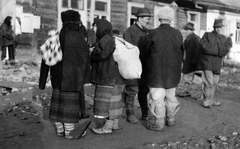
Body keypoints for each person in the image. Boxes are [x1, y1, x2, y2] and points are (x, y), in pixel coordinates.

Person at [39, 10, 91, 139]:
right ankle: (69, 132)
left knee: (58, 104)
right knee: (69, 107)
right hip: (73, 79)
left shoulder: (55, 36)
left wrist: (42, 81)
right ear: (76, 22)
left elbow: (45, 59)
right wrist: (85, 79)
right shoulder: (79, 38)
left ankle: (60, 129)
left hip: (56, 77)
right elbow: (86, 60)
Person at [142, 6, 183, 131]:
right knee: (171, 97)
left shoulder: (152, 33)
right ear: (171, 18)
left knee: (157, 98)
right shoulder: (177, 33)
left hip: (156, 73)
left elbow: (145, 53)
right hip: (173, 73)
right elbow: (181, 53)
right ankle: (171, 119)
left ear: (159, 18)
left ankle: (159, 122)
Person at [90, 19, 124, 134]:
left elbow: (102, 54)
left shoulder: (106, 39)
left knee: (108, 103)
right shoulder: (110, 38)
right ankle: (114, 124)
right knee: (114, 102)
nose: (94, 30)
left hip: (108, 76)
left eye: (95, 27)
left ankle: (107, 127)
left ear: (101, 28)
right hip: (114, 76)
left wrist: (92, 53)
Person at [122, 7, 152, 123]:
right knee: (132, 90)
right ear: (139, 18)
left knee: (143, 90)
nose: (148, 21)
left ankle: (145, 114)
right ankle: (130, 114)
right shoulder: (130, 31)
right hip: (133, 66)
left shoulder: (147, 32)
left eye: (148, 19)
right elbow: (128, 50)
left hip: (144, 67)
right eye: (146, 19)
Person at [197, 19, 229, 108]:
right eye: (217, 27)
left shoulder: (223, 38)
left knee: (215, 82)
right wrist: (219, 50)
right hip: (208, 63)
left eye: (220, 27)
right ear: (214, 27)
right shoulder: (207, 35)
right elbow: (205, 47)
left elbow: (226, 50)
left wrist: (215, 49)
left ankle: (211, 99)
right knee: (209, 82)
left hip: (217, 64)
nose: (218, 29)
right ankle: (206, 100)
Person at [178, 22, 202, 97]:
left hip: (191, 62)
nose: (186, 31)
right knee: (186, 77)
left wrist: (194, 62)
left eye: (187, 30)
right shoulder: (189, 38)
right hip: (187, 61)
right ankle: (187, 91)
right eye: (186, 30)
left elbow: (197, 51)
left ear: (191, 30)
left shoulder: (195, 38)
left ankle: (189, 91)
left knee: (188, 77)